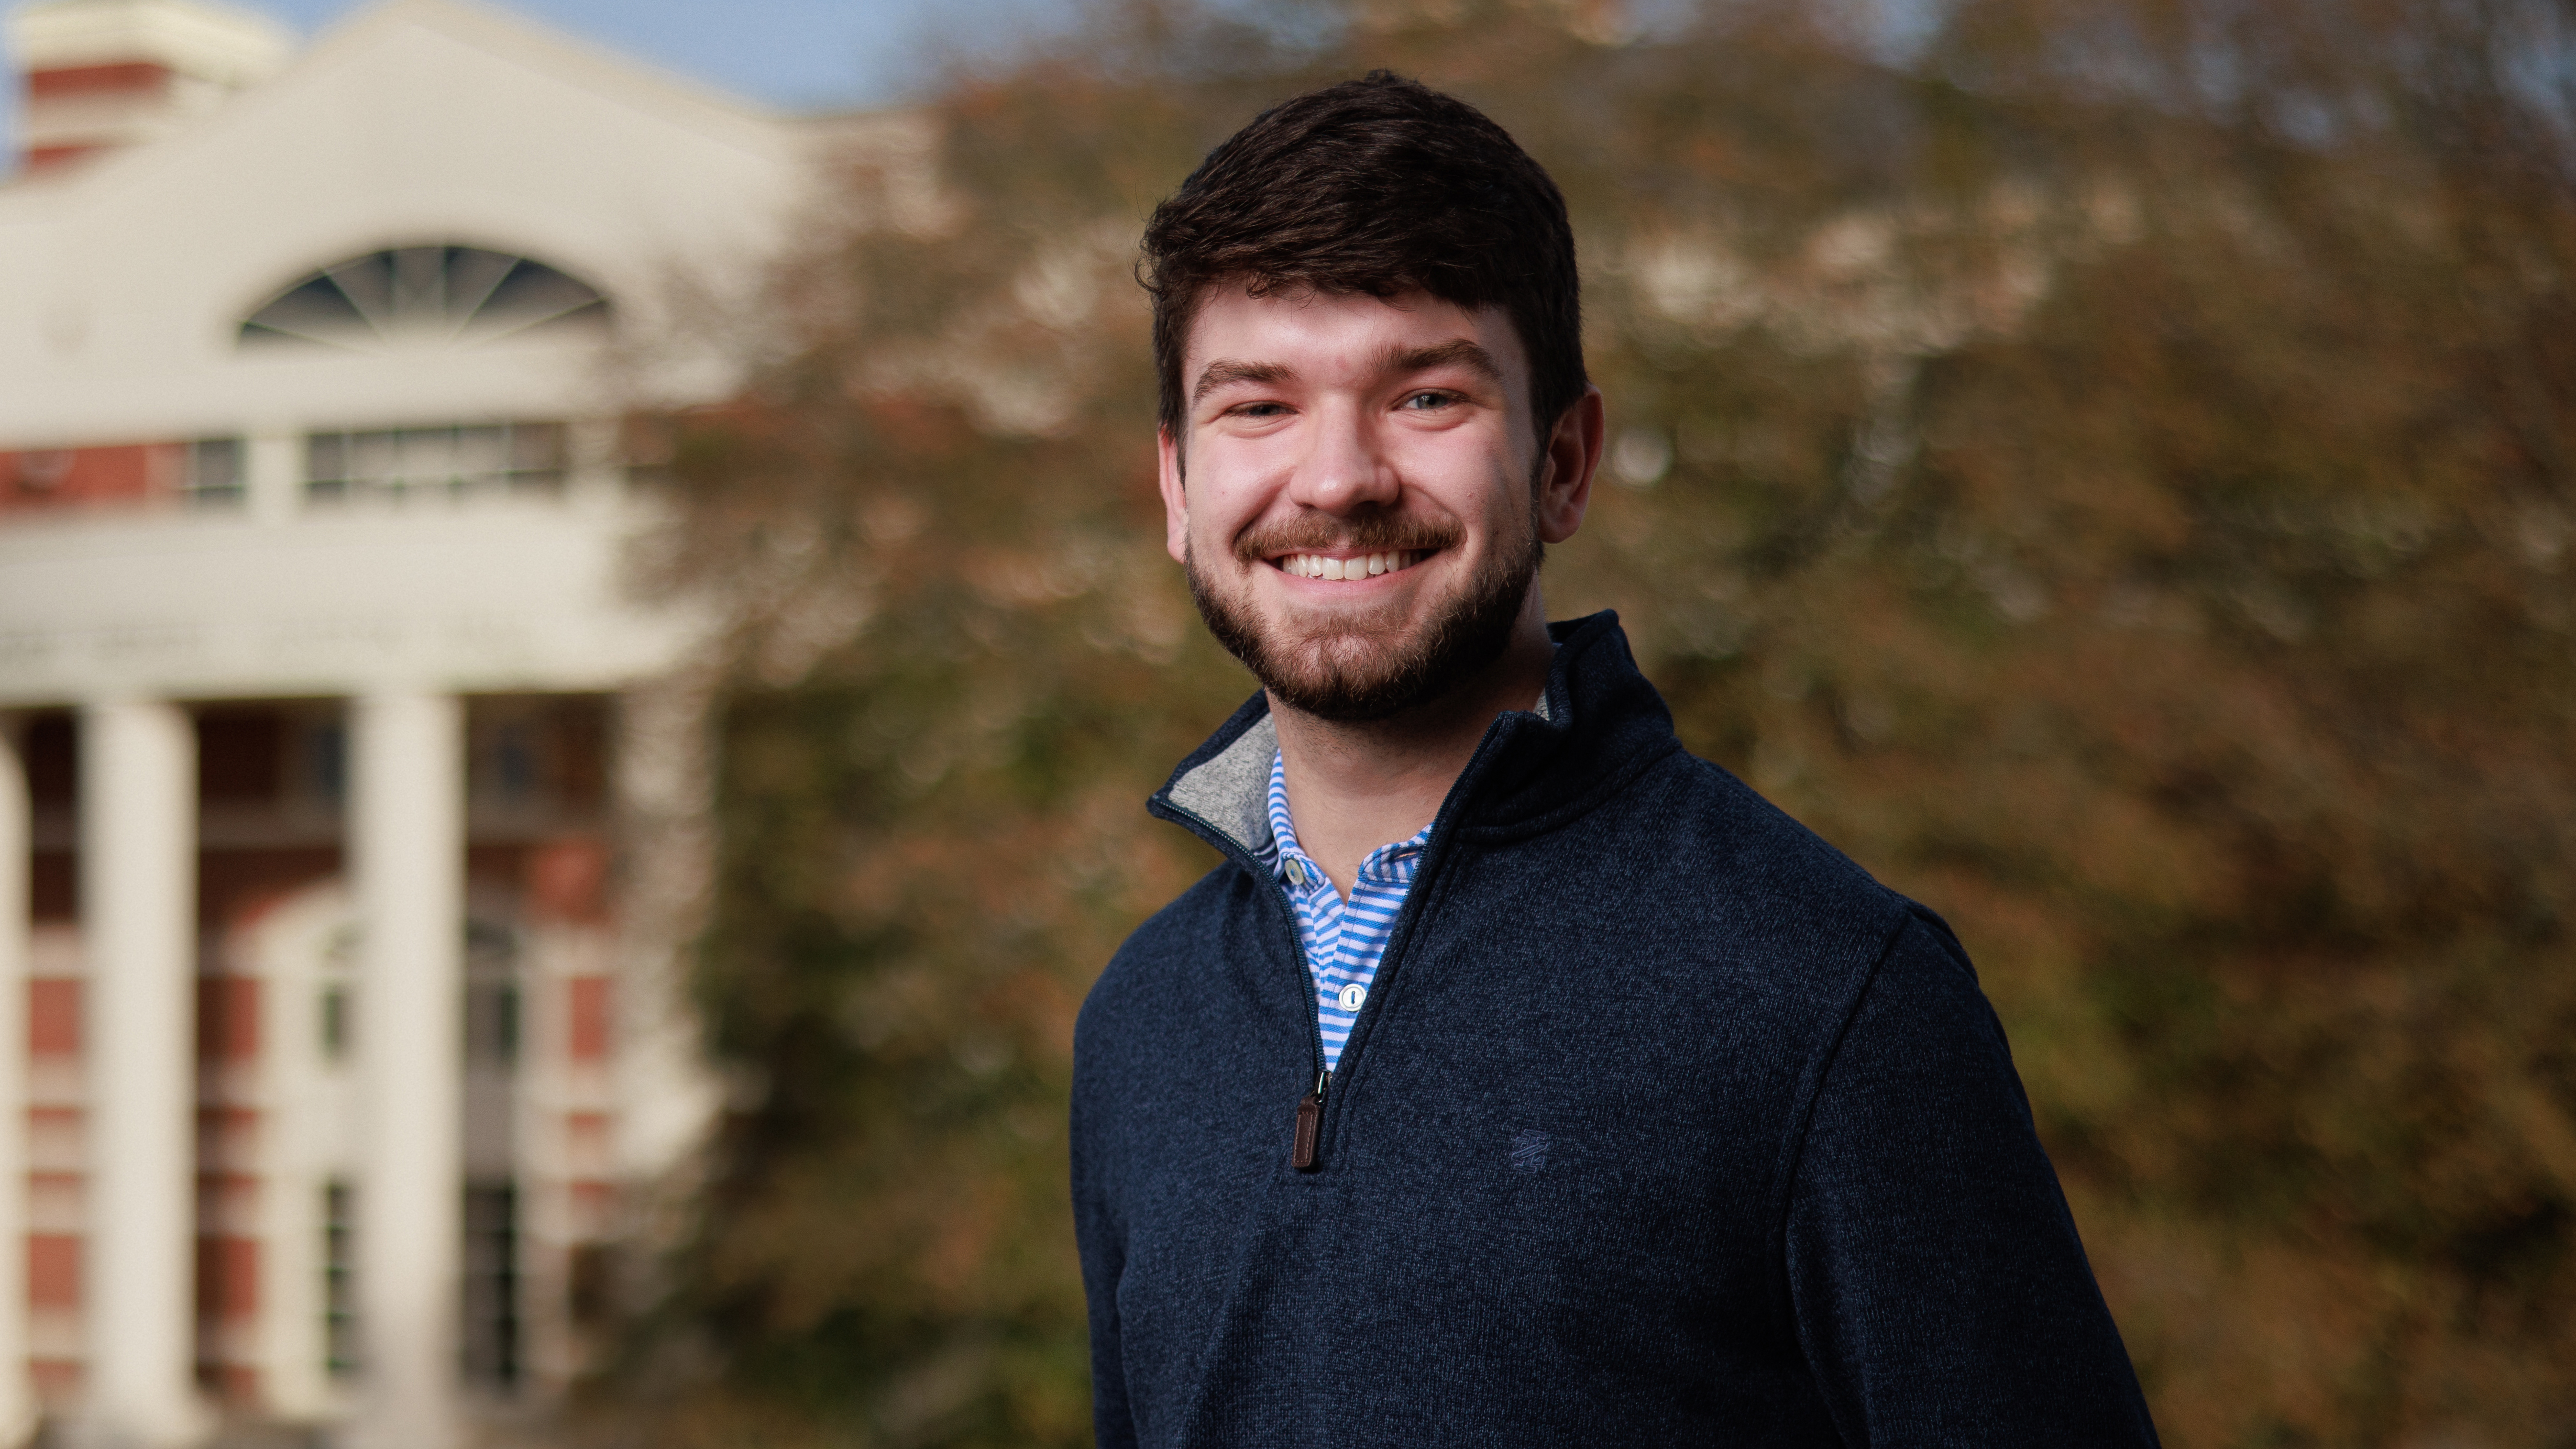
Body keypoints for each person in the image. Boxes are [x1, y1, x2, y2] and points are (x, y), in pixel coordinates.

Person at [1070, 71, 2162, 1447]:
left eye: (1424, 396)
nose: (1336, 476)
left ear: (1566, 462)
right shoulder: (1140, 1022)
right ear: (1176, 488)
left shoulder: (1825, 991)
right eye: (1258, 407)